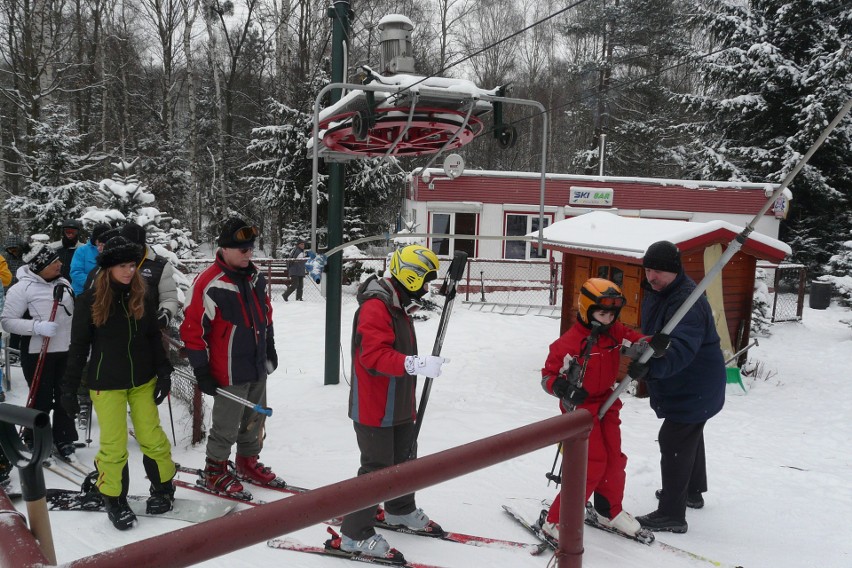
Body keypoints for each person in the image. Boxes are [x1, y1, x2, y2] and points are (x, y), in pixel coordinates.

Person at [336, 244, 448, 563]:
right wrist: (414, 364)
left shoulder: (396, 304)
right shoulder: (376, 306)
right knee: (377, 470)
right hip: (375, 407)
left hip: (399, 404)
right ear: (410, 277)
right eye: (424, 280)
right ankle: (354, 534)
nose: (426, 287)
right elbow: (372, 357)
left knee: (405, 460)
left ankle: (400, 509)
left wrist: (416, 364)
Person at [60, 236, 176, 531]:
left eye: (132, 265)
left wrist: (163, 371)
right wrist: (69, 388)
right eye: (122, 266)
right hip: (106, 383)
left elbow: (152, 336)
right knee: (113, 446)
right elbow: (77, 347)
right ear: (108, 268)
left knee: (152, 438)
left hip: (141, 380)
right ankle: (114, 499)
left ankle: (163, 489)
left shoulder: (142, 294)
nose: (128, 271)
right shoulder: (89, 300)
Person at [538, 278, 647, 542]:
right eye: (601, 313)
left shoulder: (615, 332)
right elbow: (547, 377)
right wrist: (564, 389)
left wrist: (653, 347)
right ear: (586, 309)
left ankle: (608, 510)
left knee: (614, 458)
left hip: (607, 403)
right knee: (591, 464)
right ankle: (556, 520)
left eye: (612, 314)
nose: (608, 319)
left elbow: (638, 342)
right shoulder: (568, 344)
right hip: (580, 409)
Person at [629, 240, 726, 534]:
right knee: (689, 437)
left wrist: (653, 367)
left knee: (674, 439)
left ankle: (672, 513)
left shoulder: (688, 302)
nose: (651, 277)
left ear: (674, 271)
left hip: (693, 384)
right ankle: (692, 493)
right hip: (689, 384)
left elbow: (680, 347)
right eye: (648, 270)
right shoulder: (659, 292)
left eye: (658, 271)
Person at [180, 218, 279, 495]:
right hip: (227, 371)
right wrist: (202, 371)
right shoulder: (209, 283)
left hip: (257, 363)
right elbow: (192, 331)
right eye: (243, 250)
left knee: (254, 419)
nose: (249, 254)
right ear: (224, 248)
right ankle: (215, 469)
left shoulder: (255, 277)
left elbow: (266, 315)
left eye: (251, 249)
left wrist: (270, 346)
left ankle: (247, 461)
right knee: (226, 425)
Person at [0, 242, 78, 454]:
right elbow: (7, 321)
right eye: (54, 262)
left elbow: (72, 317)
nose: (60, 264)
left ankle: (64, 438)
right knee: (41, 399)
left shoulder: (64, 283)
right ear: (39, 266)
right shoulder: (21, 288)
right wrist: (36, 327)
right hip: (37, 352)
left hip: (65, 350)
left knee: (65, 396)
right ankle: (36, 438)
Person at [119, 222, 180, 329]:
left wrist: (166, 313)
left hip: (149, 327)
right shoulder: (112, 262)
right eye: (126, 245)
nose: (131, 250)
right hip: (117, 326)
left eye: (136, 246)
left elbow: (169, 297)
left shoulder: (159, 265)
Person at [69, 223, 110, 295]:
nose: (100, 244)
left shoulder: (110, 251)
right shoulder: (82, 250)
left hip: (104, 295)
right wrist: (96, 283)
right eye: (98, 240)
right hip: (82, 293)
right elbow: (76, 273)